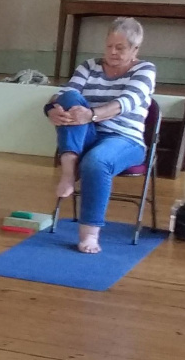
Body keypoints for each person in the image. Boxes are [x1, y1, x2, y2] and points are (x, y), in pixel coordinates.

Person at [45, 17, 156, 254]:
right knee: (70, 99)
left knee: (97, 161)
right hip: (87, 134)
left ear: (135, 49)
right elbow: (65, 93)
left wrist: (92, 115)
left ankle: (90, 234)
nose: (112, 52)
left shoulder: (145, 70)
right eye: (109, 46)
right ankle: (68, 171)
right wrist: (51, 111)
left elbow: (127, 102)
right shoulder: (89, 66)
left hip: (125, 140)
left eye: (120, 48)